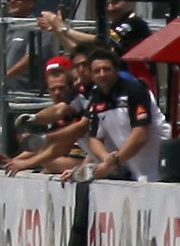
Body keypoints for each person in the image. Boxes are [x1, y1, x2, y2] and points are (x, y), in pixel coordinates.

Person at [60, 48, 167, 182]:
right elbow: (95, 138)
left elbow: (140, 135)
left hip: (160, 167)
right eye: (97, 71)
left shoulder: (136, 90)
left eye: (107, 69)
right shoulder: (96, 97)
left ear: (116, 70)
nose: (102, 74)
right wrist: (106, 159)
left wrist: (113, 162)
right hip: (133, 170)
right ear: (91, 75)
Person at [0, 0, 56, 95]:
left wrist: (4, 76)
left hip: (30, 96)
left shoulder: (39, 27)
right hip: (6, 96)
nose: (12, 1)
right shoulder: (7, 28)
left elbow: (32, 58)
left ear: (31, 3)